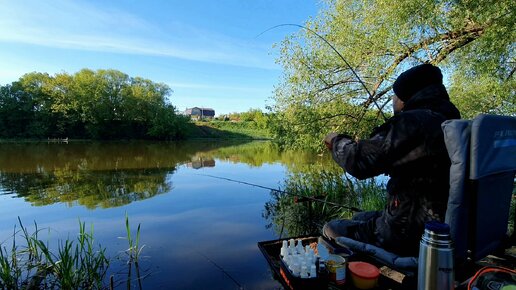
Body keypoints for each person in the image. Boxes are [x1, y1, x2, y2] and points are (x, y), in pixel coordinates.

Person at [323, 63, 461, 256]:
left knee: (332, 228)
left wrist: (335, 140)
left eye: (395, 95)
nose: (393, 100)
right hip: (437, 223)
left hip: (407, 232)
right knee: (360, 216)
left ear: (405, 97)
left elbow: (359, 162)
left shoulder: (412, 124)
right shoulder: (450, 120)